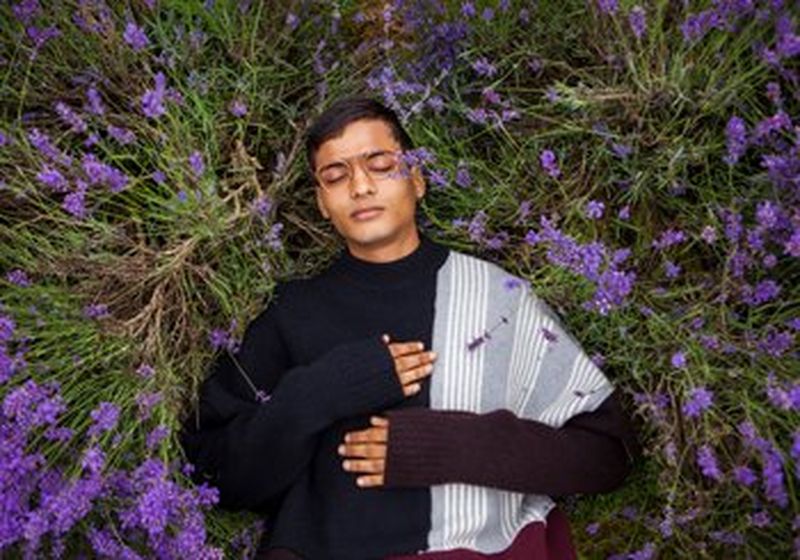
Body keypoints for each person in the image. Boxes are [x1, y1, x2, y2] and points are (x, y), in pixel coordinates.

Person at [179, 95, 641, 560]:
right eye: (336, 176)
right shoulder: (289, 312)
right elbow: (214, 473)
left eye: (380, 164)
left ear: (417, 179)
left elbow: (606, 455)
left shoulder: (497, 298)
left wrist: (451, 445)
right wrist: (320, 391)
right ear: (322, 202)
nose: (360, 186)